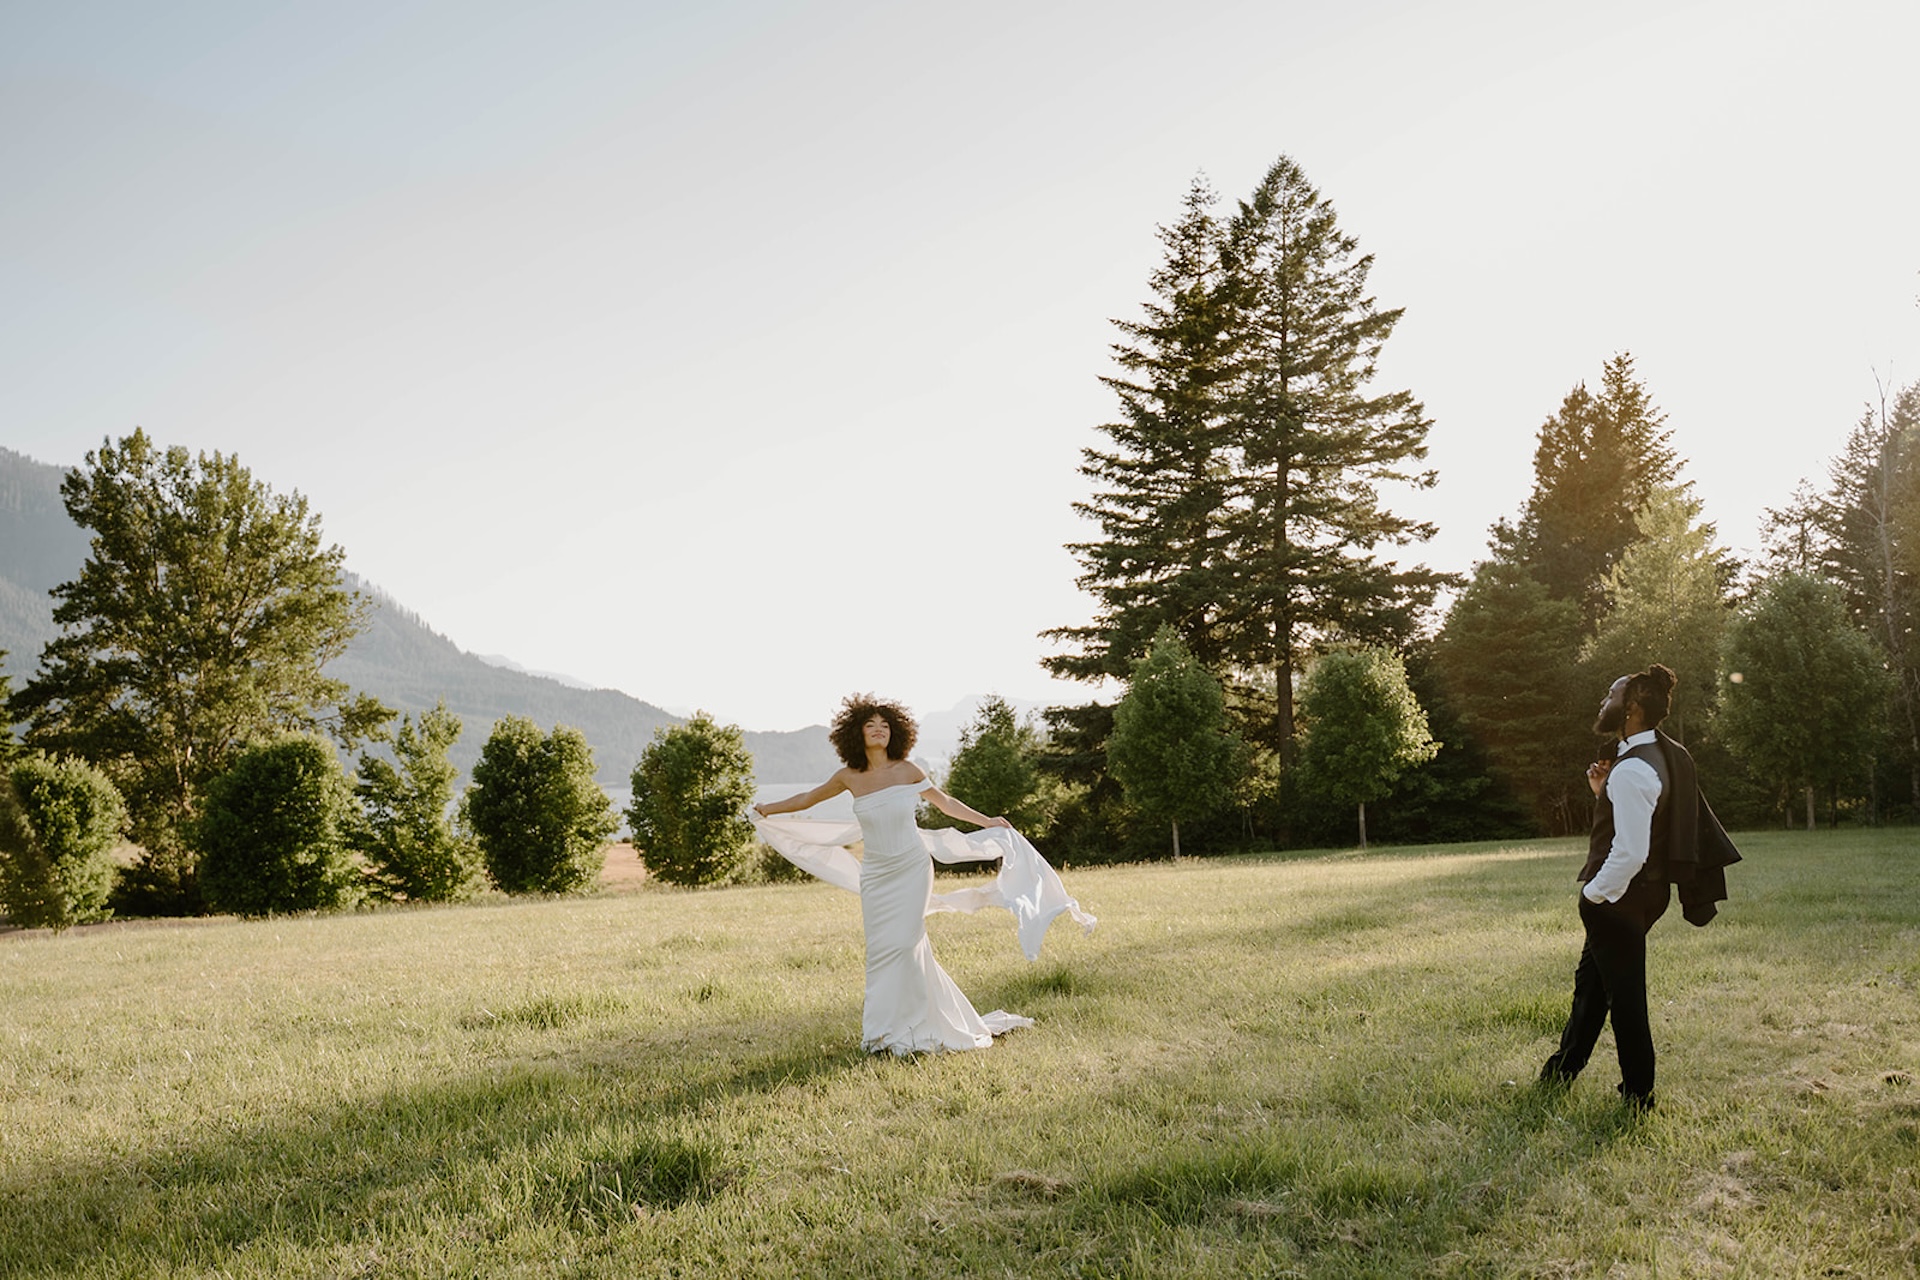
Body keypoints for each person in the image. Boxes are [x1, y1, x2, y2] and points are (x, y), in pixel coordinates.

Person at [751, 695, 1094, 1056]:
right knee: (882, 951)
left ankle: (916, 1026)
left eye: (885, 725)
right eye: (871, 725)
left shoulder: (907, 771)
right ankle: (882, 1033)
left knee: (905, 942)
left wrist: (987, 821)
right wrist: (767, 809)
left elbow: (946, 803)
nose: (879, 730)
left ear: (896, 731)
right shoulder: (848, 776)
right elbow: (808, 798)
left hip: (911, 868)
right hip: (877, 875)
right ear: (856, 733)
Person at [1539, 663, 1740, 1110]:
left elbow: (1630, 851)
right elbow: (1647, 824)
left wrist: (1594, 894)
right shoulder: (1660, 756)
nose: (1602, 701)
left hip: (1619, 897)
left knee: (1624, 999)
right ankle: (1559, 1074)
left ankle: (1638, 1096)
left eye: (1610, 695)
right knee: (1591, 987)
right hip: (1645, 894)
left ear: (1630, 708)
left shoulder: (1632, 771)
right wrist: (1602, 794)